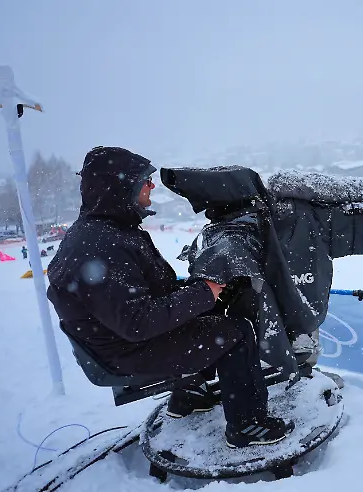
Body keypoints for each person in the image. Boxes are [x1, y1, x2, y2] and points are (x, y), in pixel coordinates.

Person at [46, 146, 293, 448]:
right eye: (143, 181)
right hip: (125, 351)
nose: (151, 186)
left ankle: (188, 397)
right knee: (235, 333)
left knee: (211, 311)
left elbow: (144, 296)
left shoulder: (106, 231)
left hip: (119, 341)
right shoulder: (103, 244)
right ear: (120, 187)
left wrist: (200, 292)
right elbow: (138, 322)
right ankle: (247, 425)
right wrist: (203, 293)